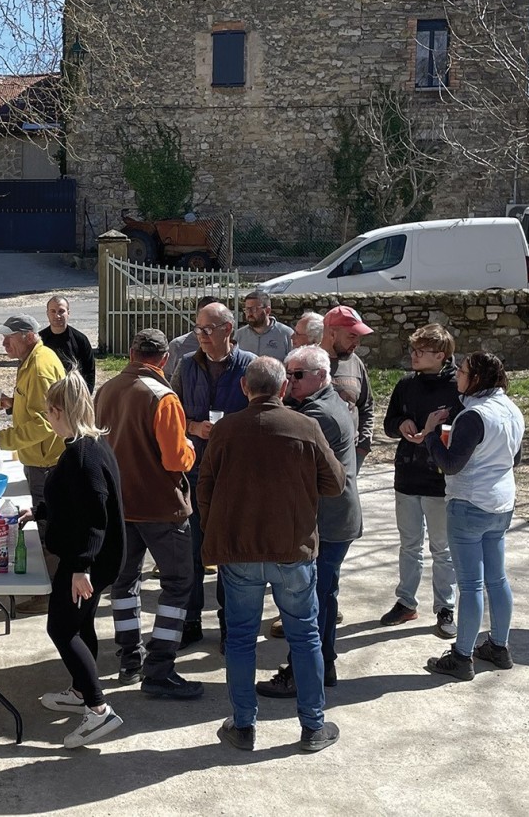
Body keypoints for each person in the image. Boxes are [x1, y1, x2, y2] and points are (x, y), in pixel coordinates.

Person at [197, 356, 344, 752]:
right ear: (282, 389)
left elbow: (204, 490)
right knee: (305, 637)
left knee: (241, 639)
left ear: (245, 387)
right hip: (291, 548)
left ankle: (244, 725)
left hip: (240, 549)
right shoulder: (306, 426)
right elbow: (334, 484)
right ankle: (313, 726)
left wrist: (218, 532)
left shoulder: (225, 430)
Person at [94, 329, 202, 699]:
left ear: (130, 352)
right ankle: (160, 668)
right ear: (164, 359)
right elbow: (175, 459)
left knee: (123, 584)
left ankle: (129, 658)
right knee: (177, 585)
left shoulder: (105, 391)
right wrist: (189, 448)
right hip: (161, 507)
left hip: (120, 506)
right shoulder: (163, 397)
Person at [23, 372, 126, 747]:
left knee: (62, 629)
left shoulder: (81, 454)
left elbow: (95, 514)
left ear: (57, 411)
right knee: (81, 626)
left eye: (47, 413)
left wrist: (82, 566)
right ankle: (82, 691)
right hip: (95, 557)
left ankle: (98, 710)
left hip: (88, 560)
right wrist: (40, 511)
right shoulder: (88, 445)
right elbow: (73, 500)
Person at [256, 346, 363, 696]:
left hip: (329, 522)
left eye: (297, 375)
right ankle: (323, 664)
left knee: (311, 601)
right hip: (331, 518)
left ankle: (303, 673)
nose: (290, 381)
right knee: (322, 596)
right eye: (287, 374)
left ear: (322, 375)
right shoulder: (319, 405)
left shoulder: (319, 416)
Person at [421, 352, 525, 681]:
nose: (457, 377)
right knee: (497, 579)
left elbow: (450, 465)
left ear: (476, 378)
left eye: (463, 372)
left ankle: (462, 655)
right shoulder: (512, 409)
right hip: (501, 503)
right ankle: (499, 646)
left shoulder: (473, 415)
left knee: (470, 585)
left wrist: (432, 435)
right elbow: (515, 458)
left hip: (470, 503)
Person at [171, 301, 256, 643]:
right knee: (192, 549)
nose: (201, 336)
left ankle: (228, 622)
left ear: (227, 330)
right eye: (197, 329)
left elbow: (262, 414)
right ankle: (191, 620)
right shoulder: (187, 366)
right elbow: (171, 413)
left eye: (207, 330)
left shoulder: (249, 366)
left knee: (228, 552)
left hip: (234, 474)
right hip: (193, 470)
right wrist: (193, 426)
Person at [0, 314, 66, 602]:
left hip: (47, 460)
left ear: (27, 336)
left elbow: (44, 422)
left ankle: (51, 593)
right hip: (41, 458)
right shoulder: (33, 360)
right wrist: (13, 404)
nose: (3, 343)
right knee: (47, 523)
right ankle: (53, 588)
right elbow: (40, 406)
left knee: (49, 529)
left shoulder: (39, 366)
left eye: (8, 338)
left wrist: (2, 440)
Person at [380, 324, 462, 636]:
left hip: (440, 479)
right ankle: (406, 602)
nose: (413, 356)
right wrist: (402, 424)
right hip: (407, 473)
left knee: (442, 547)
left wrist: (431, 433)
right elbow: (388, 422)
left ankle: (445, 607)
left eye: (420, 351)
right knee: (409, 544)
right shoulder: (405, 384)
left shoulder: (458, 387)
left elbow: (465, 431)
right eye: (412, 350)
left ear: (441, 355)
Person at [322, 305, 375, 472]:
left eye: (358, 337)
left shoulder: (355, 363)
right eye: (352, 336)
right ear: (331, 333)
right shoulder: (306, 361)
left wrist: (363, 447)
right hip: (316, 457)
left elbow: (366, 406)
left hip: (350, 456)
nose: (356, 344)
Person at [39, 295, 96, 392]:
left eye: (61, 311)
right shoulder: (39, 340)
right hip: (46, 394)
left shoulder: (80, 340)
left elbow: (89, 372)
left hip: (73, 393)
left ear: (68, 313)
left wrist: (84, 395)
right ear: (47, 313)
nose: (57, 315)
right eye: (53, 311)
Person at [163, 295, 219, 379]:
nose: (207, 321)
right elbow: (167, 379)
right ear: (196, 317)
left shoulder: (226, 346)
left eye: (213, 317)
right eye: (203, 316)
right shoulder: (177, 346)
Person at [235, 289, 294, 360]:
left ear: (267, 310)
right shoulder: (239, 335)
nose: (249, 313)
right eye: (247, 309)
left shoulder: (286, 334)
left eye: (254, 309)